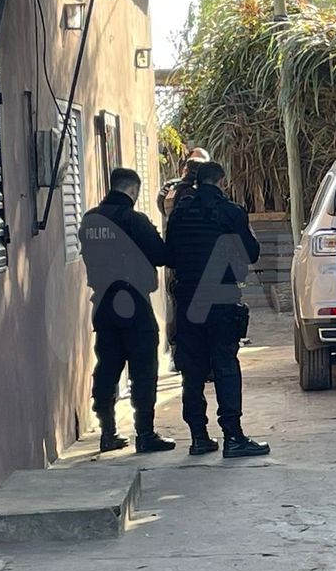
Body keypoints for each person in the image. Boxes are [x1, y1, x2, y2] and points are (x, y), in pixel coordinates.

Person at [166, 161, 269, 458]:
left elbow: (170, 256)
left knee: (192, 369)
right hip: (221, 296)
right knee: (225, 365)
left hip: (188, 299)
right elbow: (251, 254)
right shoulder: (230, 212)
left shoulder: (180, 212)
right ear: (222, 182)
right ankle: (233, 437)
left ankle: (198, 437)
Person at [80, 168, 175, 454]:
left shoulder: (90, 221)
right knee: (143, 368)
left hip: (103, 303)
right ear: (133, 190)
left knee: (107, 367)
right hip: (134, 302)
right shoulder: (135, 220)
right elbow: (162, 255)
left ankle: (107, 432)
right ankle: (144, 434)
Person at [158, 147, 210, 371]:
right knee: (180, 308)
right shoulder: (176, 190)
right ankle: (180, 353)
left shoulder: (182, 191)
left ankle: (193, 358)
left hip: (193, 263)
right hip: (187, 263)